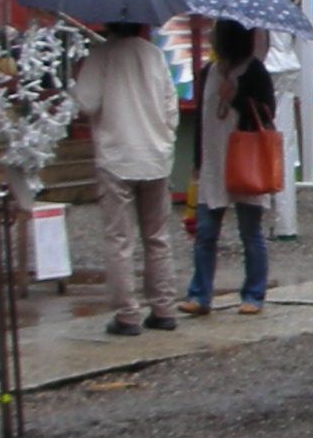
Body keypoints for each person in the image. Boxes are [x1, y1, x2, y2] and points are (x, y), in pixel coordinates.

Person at [71, 21, 180, 337]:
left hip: (117, 155)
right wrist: (164, 138)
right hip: (156, 156)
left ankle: (127, 314)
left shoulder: (102, 55)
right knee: (157, 237)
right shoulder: (154, 55)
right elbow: (170, 107)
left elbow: (86, 102)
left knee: (120, 240)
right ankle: (164, 308)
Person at [181, 18, 276, 316]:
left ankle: (254, 294)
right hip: (213, 160)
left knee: (250, 232)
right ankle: (200, 294)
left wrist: (237, 98)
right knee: (205, 233)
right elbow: (202, 119)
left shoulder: (255, 72)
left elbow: (267, 114)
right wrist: (197, 162)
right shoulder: (208, 72)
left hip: (245, 158)